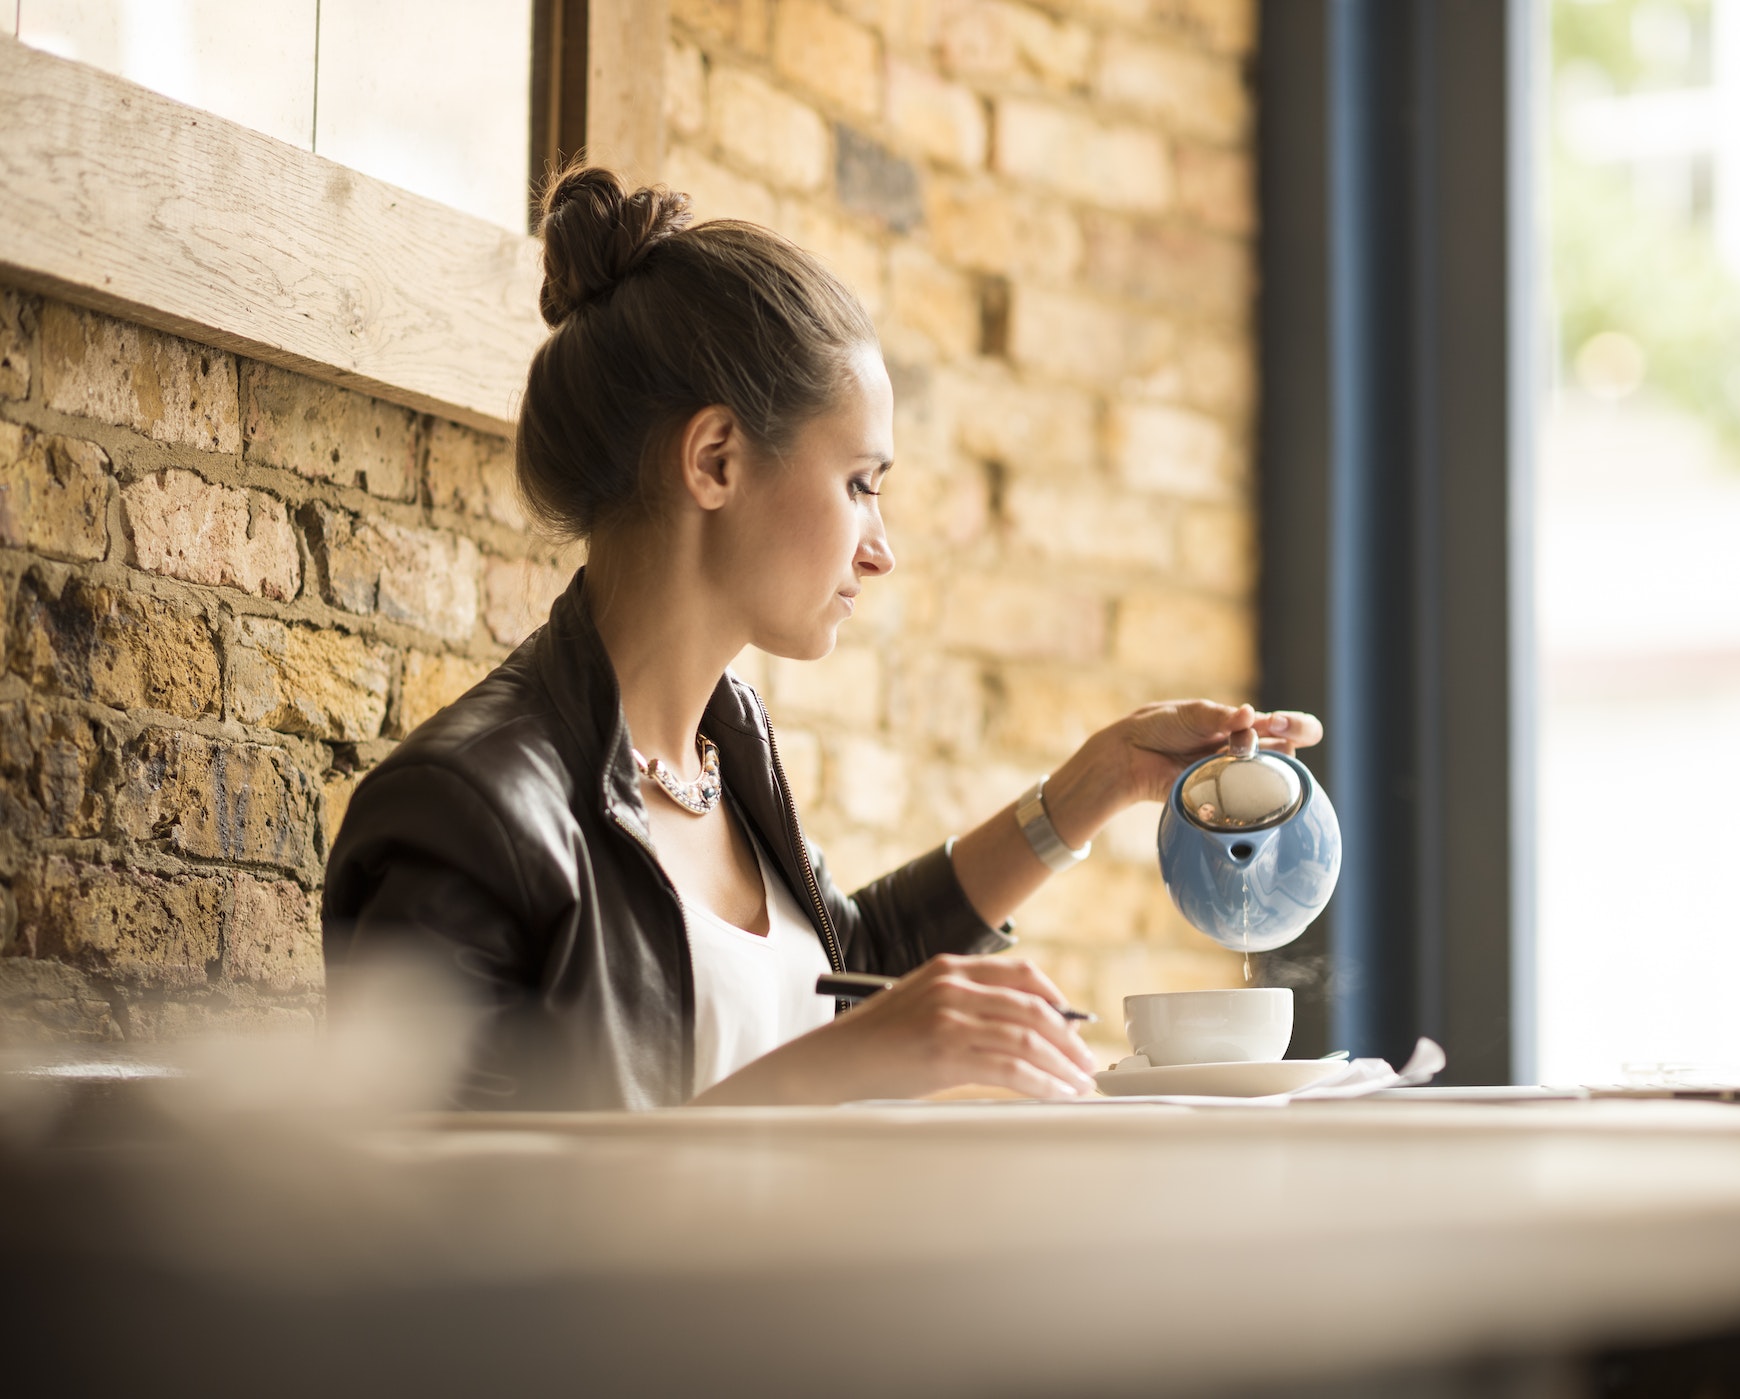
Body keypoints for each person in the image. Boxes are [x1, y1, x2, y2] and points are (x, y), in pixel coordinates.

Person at [321, 164, 1322, 1111]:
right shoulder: (467, 814)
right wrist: (825, 1071)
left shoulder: (727, 751)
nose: (879, 550)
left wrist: (1094, 784)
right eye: (859, 485)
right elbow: (434, 1233)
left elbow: (843, 964)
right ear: (715, 459)